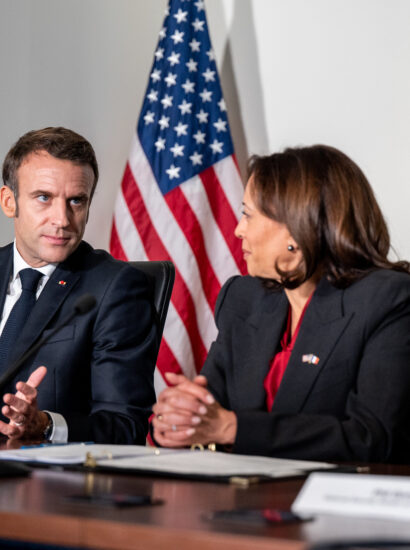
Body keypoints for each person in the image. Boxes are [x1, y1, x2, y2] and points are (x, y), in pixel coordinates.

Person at [153, 144, 410, 463]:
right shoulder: (244, 298)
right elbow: (208, 410)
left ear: (296, 228)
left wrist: (233, 429)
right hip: (241, 498)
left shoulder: (389, 299)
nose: (237, 230)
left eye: (248, 215)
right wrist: (179, 420)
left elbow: (373, 437)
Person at [0, 127, 157, 444]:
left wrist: (44, 425)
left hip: (43, 483)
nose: (62, 219)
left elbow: (125, 425)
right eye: (44, 198)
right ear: (9, 202)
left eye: (76, 201)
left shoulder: (116, 289)